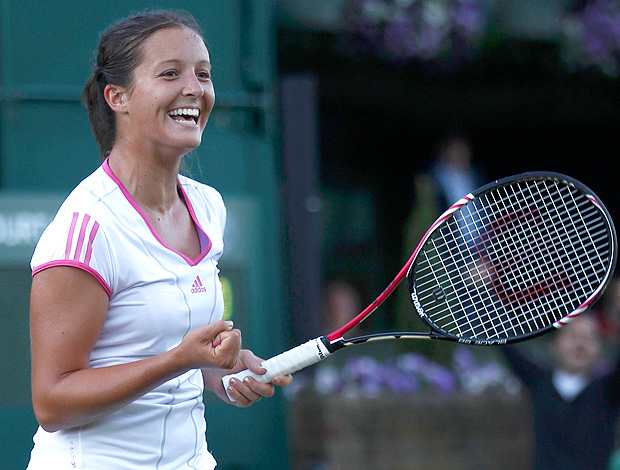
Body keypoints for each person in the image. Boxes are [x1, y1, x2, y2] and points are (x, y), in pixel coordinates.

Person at [26, 9, 291, 470]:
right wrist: (177, 361)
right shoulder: (86, 229)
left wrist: (217, 370)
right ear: (118, 96)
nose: (195, 89)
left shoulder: (208, 207)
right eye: (170, 73)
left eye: (203, 75)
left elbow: (166, 345)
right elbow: (52, 403)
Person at [500, 312, 620, 470]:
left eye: (590, 338)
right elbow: (503, 339)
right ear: (553, 344)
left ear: (599, 348)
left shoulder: (607, 391)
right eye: (572, 335)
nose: (580, 344)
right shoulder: (539, 382)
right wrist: (478, 290)